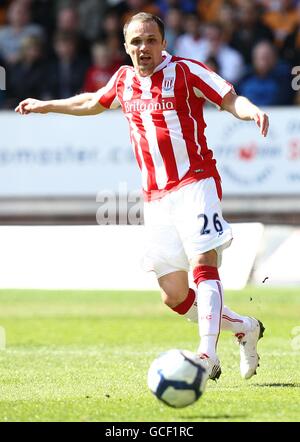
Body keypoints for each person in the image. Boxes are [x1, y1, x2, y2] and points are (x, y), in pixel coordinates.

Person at [15, 12, 268, 381]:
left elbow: (230, 99)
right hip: (155, 198)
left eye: (151, 39)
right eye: (136, 41)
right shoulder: (123, 80)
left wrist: (252, 112)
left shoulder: (186, 72)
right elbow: (92, 103)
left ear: (163, 43)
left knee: (204, 262)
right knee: (175, 296)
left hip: (196, 182)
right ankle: (245, 326)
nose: (143, 47)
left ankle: (205, 353)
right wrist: (47, 104)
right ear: (125, 46)